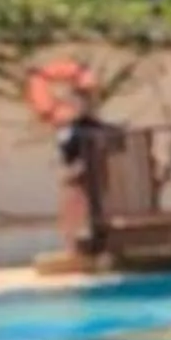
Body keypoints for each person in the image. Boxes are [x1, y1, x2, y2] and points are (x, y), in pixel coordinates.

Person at [56, 80, 116, 260]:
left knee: (76, 194)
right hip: (81, 177)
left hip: (93, 178)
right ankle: (72, 245)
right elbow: (67, 155)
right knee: (72, 197)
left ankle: (77, 244)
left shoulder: (93, 128)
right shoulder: (73, 129)